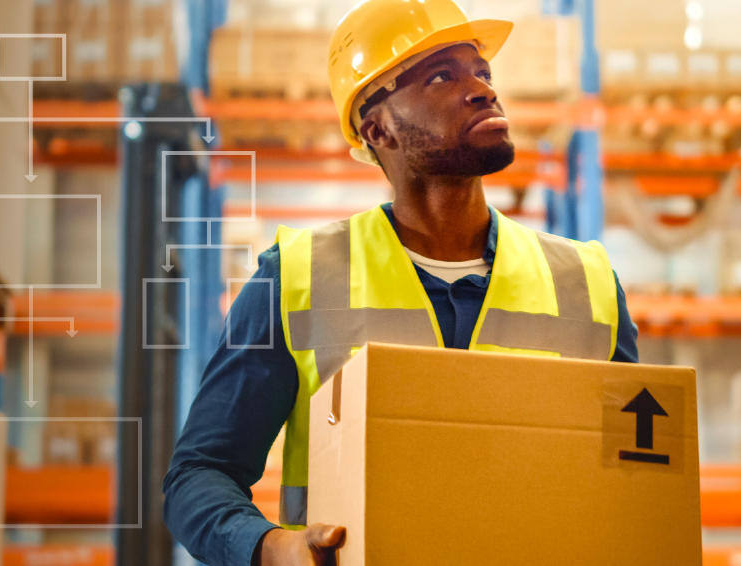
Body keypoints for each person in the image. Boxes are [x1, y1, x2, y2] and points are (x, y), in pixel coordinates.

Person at [163, 1, 639, 564]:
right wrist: (274, 549)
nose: (483, 89)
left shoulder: (589, 284)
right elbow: (199, 475)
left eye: (483, 72)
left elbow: (641, 475)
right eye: (443, 75)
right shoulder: (294, 278)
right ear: (378, 128)